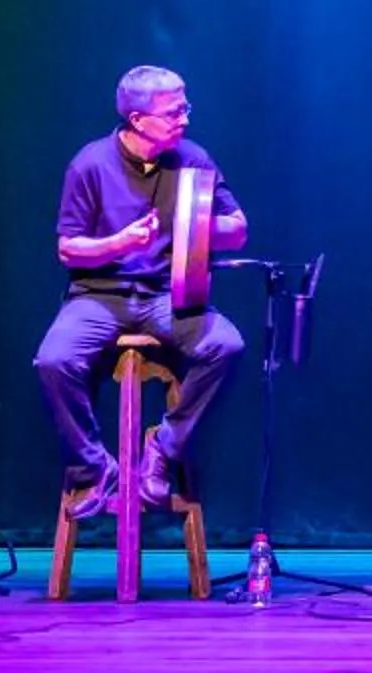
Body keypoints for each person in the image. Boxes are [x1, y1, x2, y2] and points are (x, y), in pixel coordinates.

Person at [32, 66, 249, 517]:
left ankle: (164, 449)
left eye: (185, 108)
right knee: (53, 361)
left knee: (226, 345)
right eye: (173, 112)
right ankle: (97, 467)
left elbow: (238, 230)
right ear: (137, 119)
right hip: (98, 295)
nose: (184, 119)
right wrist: (121, 242)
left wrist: (193, 221)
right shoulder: (90, 164)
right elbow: (68, 249)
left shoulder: (193, 159)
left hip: (166, 297)